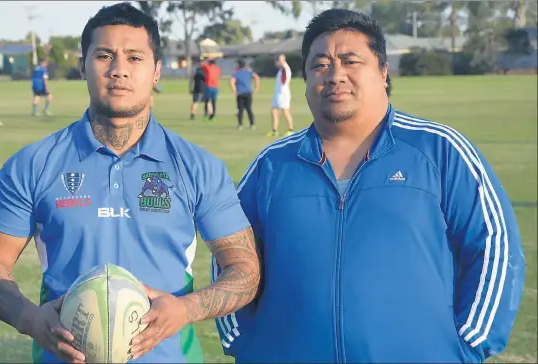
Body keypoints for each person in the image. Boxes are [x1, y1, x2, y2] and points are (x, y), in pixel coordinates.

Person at [213, 8, 525, 363]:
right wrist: (244, 342)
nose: (335, 75)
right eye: (320, 64)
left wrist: (466, 345)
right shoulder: (271, 166)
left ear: (383, 71)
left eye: (350, 61)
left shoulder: (439, 150)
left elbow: (495, 245)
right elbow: (228, 254)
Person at [0, 3, 260, 364]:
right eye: (104, 55)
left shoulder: (198, 167)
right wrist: (29, 318)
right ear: (82, 66)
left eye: (135, 58)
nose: (119, 70)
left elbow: (245, 271)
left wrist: (186, 309)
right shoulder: (33, 164)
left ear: (156, 71)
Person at [266, 54, 294, 137]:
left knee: (285, 111)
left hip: (283, 94)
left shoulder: (285, 68)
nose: (277, 63)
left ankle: (291, 129)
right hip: (277, 93)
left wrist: (281, 62)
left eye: (279, 61)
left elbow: (284, 80)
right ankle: (274, 130)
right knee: (274, 111)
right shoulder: (281, 69)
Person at [230, 59, 260, 131]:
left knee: (240, 110)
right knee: (249, 109)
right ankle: (252, 124)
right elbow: (256, 77)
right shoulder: (248, 72)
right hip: (248, 93)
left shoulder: (236, 73)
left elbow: (232, 82)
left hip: (240, 93)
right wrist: (256, 87)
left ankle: (240, 125)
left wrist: (234, 91)